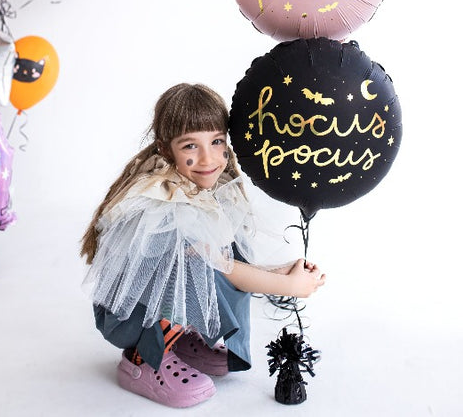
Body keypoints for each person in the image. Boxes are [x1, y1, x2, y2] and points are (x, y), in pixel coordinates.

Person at [81, 83, 326, 408]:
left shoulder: (206, 188)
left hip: (154, 308)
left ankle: (180, 339)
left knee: (225, 253)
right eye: (190, 146)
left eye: (216, 141)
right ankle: (144, 361)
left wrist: (278, 271)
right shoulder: (164, 201)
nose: (208, 158)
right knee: (189, 267)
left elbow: (225, 260)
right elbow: (218, 267)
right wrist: (288, 286)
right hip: (129, 320)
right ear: (165, 149)